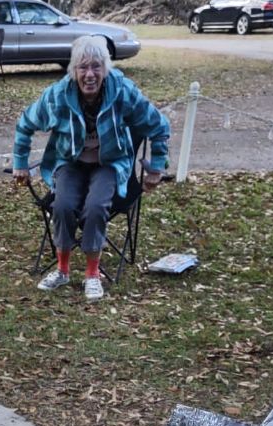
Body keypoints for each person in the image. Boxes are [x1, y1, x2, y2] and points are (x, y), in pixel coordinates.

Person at [13, 35, 167, 301]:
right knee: (62, 206)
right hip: (70, 163)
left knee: (96, 207)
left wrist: (155, 168)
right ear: (73, 70)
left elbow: (159, 126)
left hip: (109, 163)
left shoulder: (122, 91)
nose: (90, 74)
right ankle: (62, 271)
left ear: (106, 69)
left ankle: (92, 275)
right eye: (83, 67)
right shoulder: (59, 95)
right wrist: (20, 164)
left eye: (96, 66)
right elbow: (25, 124)